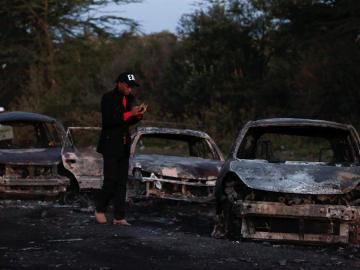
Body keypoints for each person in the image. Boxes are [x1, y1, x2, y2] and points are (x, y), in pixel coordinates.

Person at [95, 72, 146, 225]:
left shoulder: (128, 99)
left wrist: (137, 115)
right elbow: (109, 121)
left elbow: (126, 122)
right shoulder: (108, 98)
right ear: (120, 84)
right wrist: (130, 113)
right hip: (110, 144)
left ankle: (119, 216)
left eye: (132, 87)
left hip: (123, 144)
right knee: (110, 179)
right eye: (128, 86)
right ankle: (100, 209)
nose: (130, 89)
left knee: (122, 182)